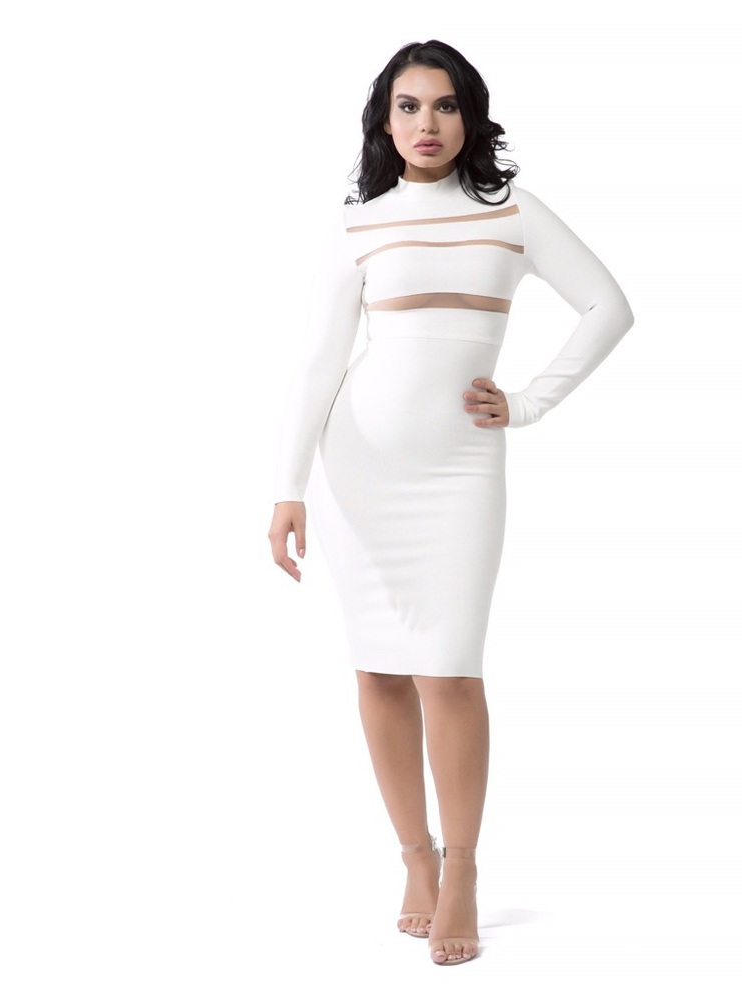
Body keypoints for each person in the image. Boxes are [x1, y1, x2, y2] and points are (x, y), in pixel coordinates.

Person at [268, 39, 634, 966]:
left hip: (460, 476)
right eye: (407, 106)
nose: (425, 124)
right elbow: (318, 362)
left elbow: (609, 307)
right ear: (384, 122)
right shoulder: (360, 223)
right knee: (378, 673)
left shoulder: (513, 210)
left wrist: (530, 401)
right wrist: (288, 488)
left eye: (443, 105)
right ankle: (415, 859)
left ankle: (463, 868)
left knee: (450, 673)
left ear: (469, 116)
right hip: (356, 475)